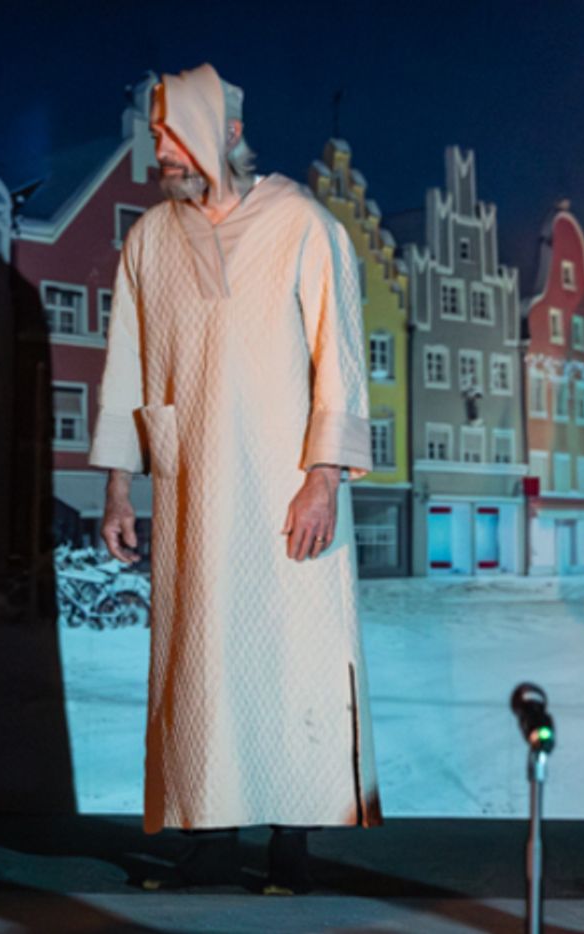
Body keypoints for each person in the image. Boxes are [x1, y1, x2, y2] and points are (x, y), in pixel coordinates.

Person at [91, 64, 381, 894]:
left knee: (293, 652)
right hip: (193, 491)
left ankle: (293, 843)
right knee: (200, 657)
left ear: (222, 133)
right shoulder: (151, 238)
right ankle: (209, 838)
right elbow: (127, 366)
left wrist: (324, 477)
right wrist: (119, 483)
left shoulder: (300, 223)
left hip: (286, 484)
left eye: (170, 135)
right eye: (154, 139)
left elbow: (341, 359)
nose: (158, 155)